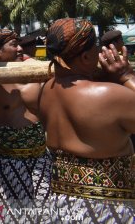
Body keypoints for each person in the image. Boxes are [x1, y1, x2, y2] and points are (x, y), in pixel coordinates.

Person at [24, 18, 134, 222]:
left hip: (61, 205)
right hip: (106, 210)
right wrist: (127, 76)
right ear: (85, 56)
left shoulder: (44, 91)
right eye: (96, 48)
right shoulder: (109, 96)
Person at [0, 12, 51, 223]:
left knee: (44, 216)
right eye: (13, 45)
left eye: (18, 44)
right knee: (12, 217)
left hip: (41, 160)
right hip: (7, 163)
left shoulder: (34, 69)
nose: (19, 49)